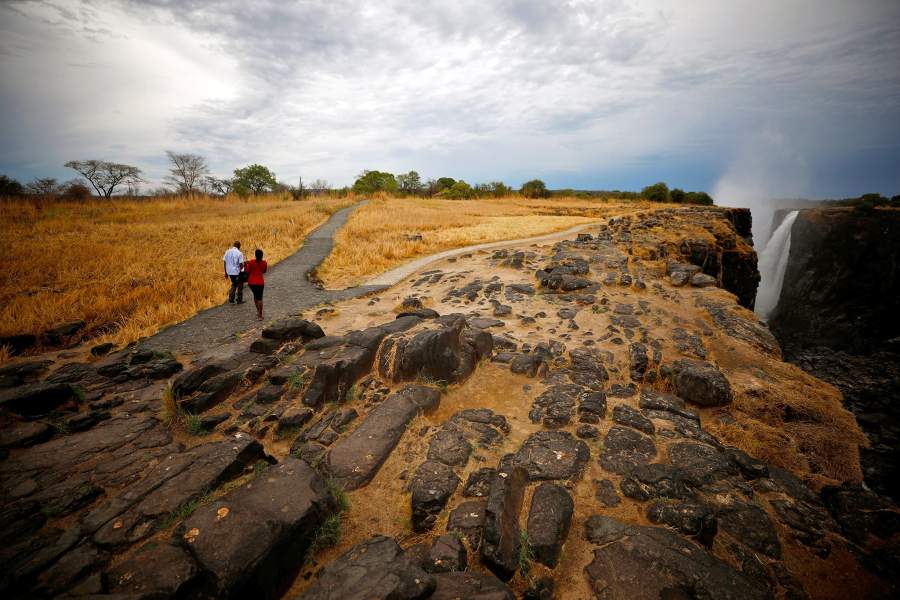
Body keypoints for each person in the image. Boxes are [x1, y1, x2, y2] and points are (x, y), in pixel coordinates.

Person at [245, 248, 268, 320]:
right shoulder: (264, 263)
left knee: (255, 296)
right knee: (260, 298)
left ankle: (258, 311)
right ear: (262, 255)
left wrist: (246, 264)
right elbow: (264, 271)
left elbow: (247, 271)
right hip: (260, 282)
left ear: (255, 255)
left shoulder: (251, 262)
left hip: (251, 283)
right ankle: (260, 315)